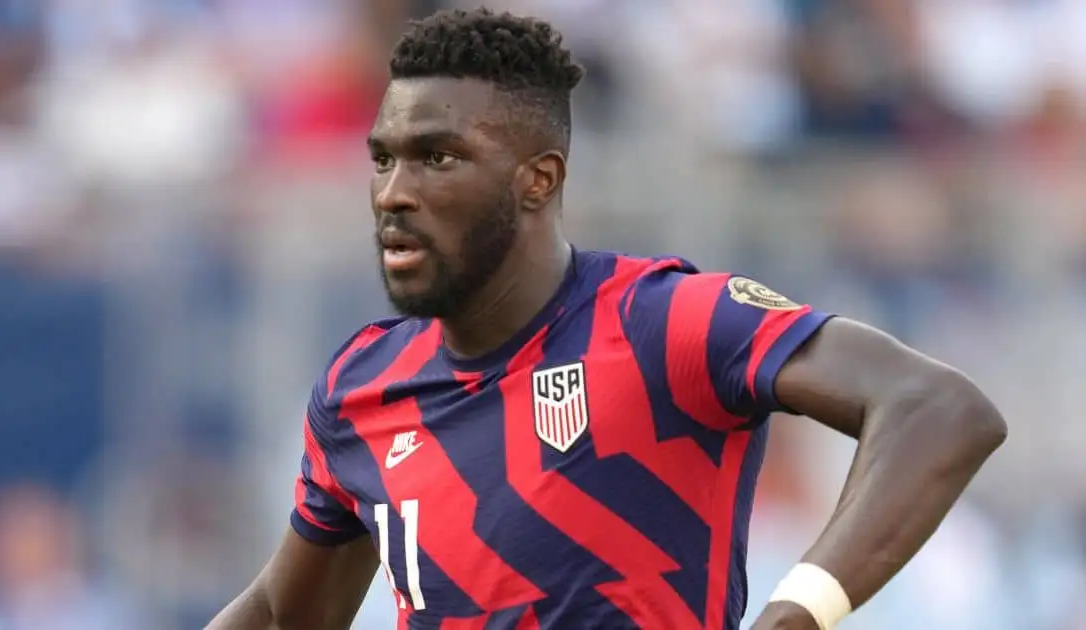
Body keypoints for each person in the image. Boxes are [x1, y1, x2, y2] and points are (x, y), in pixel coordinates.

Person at [206, 8, 1007, 630]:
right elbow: (283, 615)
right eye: (383, 158)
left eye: (437, 157)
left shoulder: (664, 325)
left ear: (537, 180)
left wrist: (794, 612)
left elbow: (939, 408)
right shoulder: (362, 390)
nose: (393, 192)